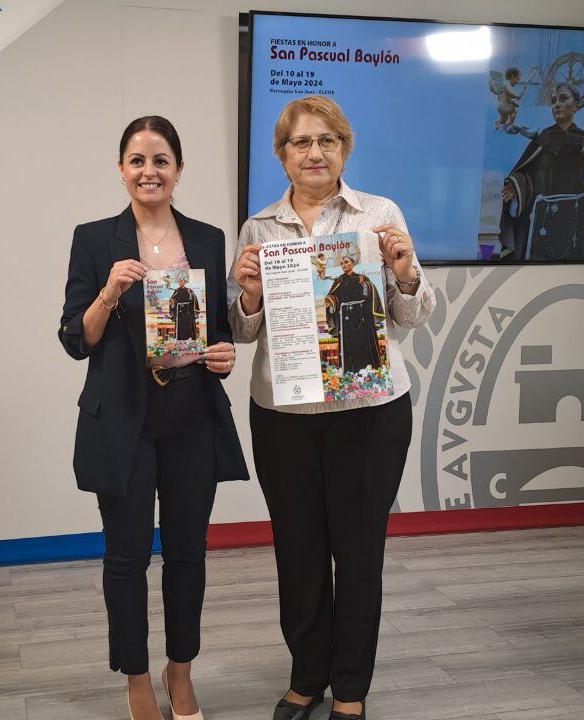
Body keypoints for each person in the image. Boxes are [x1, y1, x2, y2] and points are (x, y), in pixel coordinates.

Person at [228, 95, 436, 720]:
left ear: (344, 149)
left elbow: (411, 316)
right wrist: (249, 296)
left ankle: (350, 688)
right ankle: (306, 676)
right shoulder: (258, 229)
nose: (314, 152)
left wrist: (405, 271)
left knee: (359, 549)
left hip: (370, 412)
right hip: (284, 416)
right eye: (301, 142)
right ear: (282, 155)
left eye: (327, 140)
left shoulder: (380, 215)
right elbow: (242, 332)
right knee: (298, 551)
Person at [58, 115, 248, 720]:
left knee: (189, 553)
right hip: (123, 421)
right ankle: (137, 678)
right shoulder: (95, 240)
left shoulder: (208, 238)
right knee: (127, 556)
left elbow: (218, 330)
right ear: (121, 170)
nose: (149, 171)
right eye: (137, 160)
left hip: (191, 415)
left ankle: (180, 671)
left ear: (179, 170)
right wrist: (109, 292)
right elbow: (75, 340)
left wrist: (224, 354)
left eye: (161, 160)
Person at [498, 82, 584, 260]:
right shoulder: (542, 140)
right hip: (541, 221)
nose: (557, 105)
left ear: (576, 105)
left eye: (563, 99)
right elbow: (527, 174)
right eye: (554, 101)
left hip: (576, 222)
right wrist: (516, 187)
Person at [323, 252, 384, 373]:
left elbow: (369, 295)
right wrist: (330, 301)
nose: (343, 265)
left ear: (353, 263)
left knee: (363, 342)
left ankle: (366, 371)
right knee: (348, 344)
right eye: (342, 263)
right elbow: (334, 296)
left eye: (346, 262)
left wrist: (363, 285)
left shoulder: (361, 278)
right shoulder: (339, 280)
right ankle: (350, 371)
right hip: (345, 318)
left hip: (361, 315)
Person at [169, 276, 201, 341]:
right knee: (180, 326)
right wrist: (172, 302)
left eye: (181, 281)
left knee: (188, 325)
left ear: (185, 282)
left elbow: (194, 299)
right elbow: (173, 299)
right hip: (179, 312)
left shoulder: (189, 290)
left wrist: (193, 309)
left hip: (188, 311)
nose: (180, 282)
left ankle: (190, 340)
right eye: (179, 281)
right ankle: (180, 340)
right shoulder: (176, 291)